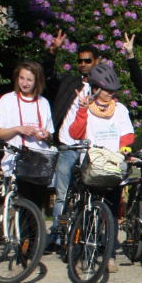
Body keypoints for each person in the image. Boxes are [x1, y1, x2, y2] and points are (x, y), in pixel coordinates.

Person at [60, 62, 133, 272]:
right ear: (95, 88)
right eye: (107, 90)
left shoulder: (120, 110)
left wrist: (125, 149)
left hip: (112, 167)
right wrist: (82, 111)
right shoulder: (84, 107)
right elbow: (75, 133)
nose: (111, 94)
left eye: (114, 91)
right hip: (91, 166)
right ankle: (84, 247)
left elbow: (127, 135)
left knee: (111, 213)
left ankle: (109, 256)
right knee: (89, 211)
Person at [42, 31, 100, 248]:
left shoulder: (102, 88)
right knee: (61, 195)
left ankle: (86, 235)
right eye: (80, 61)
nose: (83, 64)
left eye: (88, 60)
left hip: (90, 149)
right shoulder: (69, 82)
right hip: (67, 146)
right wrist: (52, 51)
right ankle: (57, 236)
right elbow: (46, 75)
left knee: (91, 195)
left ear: (96, 61)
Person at [0, 61, 55, 208]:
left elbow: (51, 135)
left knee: (35, 209)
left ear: (37, 81)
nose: (25, 83)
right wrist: (18, 129)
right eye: (22, 78)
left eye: (29, 80)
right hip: (16, 162)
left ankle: (35, 232)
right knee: (22, 206)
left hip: (39, 164)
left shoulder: (43, 102)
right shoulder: (7, 100)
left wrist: (46, 135)